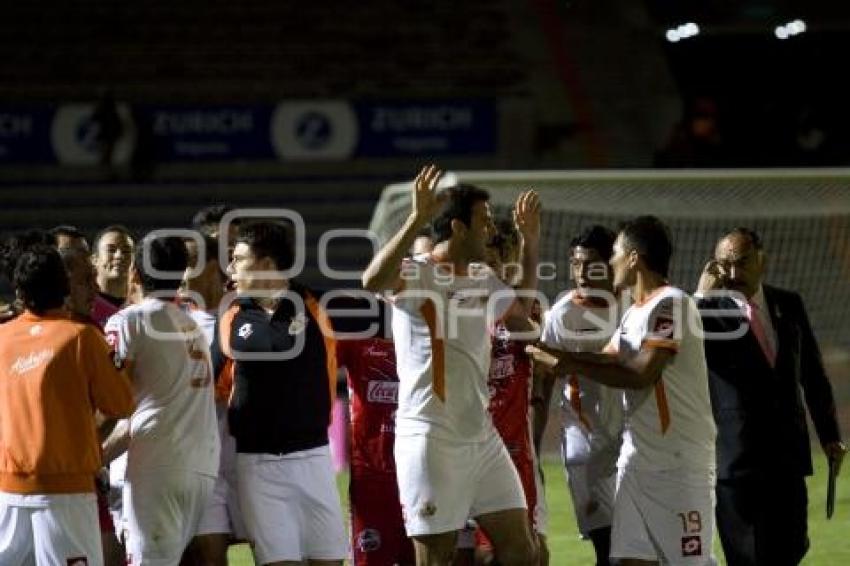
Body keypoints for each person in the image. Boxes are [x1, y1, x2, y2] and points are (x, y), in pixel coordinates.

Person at [361, 164, 541, 566]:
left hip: (481, 436)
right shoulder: (417, 269)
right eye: (483, 221)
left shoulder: (482, 276)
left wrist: (530, 243)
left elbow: (523, 318)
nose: (491, 230)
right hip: (431, 439)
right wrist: (414, 220)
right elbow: (371, 282)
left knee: (522, 552)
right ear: (458, 228)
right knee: (436, 559)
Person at [529, 216, 717, 566]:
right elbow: (605, 360)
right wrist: (540, 352)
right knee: (628, 560)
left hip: (678, 461)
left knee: (689, 561)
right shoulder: (634, 313)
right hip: (636, 461)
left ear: (633, 258)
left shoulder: (672, 303)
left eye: (614, 253)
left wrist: (565, 362)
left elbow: (641, 373)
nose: (610, 261)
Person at [696, 227, 845, 565]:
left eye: (741, 262)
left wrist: (830, 436)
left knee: (791, 550)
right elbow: (680, 352)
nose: (733, 273)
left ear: (762, 260)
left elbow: (813, 375)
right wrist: (699, 300)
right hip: (737, 463)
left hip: (788, 460)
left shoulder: (788, 303)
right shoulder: (706, 313)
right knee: (748, 557)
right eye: (724, 265)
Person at [214, 220, 347, 565]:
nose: (229, 269)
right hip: (258, 465)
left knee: (329, 560)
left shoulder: (315, 304)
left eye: (238, 259)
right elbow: (272, 344)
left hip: (315, 457)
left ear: (267, 264)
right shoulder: (234, 315)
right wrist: (293, 327)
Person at [0, 245, 134, 566]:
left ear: (19, 291)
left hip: (6, 490)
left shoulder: (2, 337)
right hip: (66, 492)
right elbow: (121, 403)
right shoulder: (82, 338)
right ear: (64, 288)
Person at [103, 236, 220, 565]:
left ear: (135, 274)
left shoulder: (129, 320)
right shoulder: (193, 324)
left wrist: (83, 455)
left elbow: (111, 401)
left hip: (158, 465)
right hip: (201, 466)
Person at [539, 225, 621, 566]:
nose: (582, 272)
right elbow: (545, 377)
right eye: (576, 264)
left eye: (591, 263)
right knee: (609, 547)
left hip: (637, 443)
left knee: (643, 546)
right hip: (586, 447)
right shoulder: (561, 315)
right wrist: (533, 436)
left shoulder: (635, 306)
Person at [331, 294, 415, 566]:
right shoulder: (359, 346)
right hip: (372, 479)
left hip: (419, 473)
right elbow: (319, 360)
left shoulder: (427, 350)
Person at [181, 233, 246, 566]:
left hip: (250, 463)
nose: (180, 273)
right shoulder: (176, 323)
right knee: (210, 558)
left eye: (189, 262)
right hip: (204, 470)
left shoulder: (246, 314)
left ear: (212, 266)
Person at [91, 225, 134, 326]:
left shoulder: (141, 306)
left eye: (126, 251)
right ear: (94, 260)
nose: (119, 256)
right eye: (111, 250)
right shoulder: (86, 306)